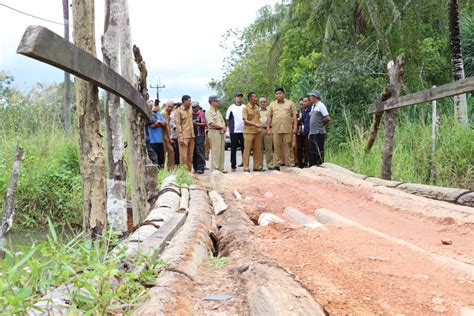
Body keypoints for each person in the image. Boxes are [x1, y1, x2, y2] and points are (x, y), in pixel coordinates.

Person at [267, 87, 297, 171]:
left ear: (283, 94)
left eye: (280, 93)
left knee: (289, 146)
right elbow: (269, 117)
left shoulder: (290, 103)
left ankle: (291, 163)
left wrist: (295, 128)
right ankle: (276, 164)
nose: (278, 95)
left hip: (287, 129)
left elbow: (294, 116)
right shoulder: (272, 104)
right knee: (276, 147)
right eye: (277, 94)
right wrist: (268, 129)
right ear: (275, 95)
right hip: (276, 130)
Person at [308, 90, 331, 166]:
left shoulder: (321, 105)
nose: (310, 98)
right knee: (312, 150)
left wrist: (321, 125)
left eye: (311, 96)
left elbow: (327, 118)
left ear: (315, 97)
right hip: (312, 132)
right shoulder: (313, 106)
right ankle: (313, 166)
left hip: (318, 132)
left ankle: (320, 165)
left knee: (319, 150)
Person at [242, 92, 263, 172]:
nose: (256, 98)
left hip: (257, 132)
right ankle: (246, 167)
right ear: (250, 98)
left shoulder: (257, 108)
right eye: (254, 97)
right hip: (248, 132)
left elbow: (259, 118)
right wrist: (255, 124)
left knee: (257, 150)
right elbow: (245, 120)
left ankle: (256, 166)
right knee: (247, 150)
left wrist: (260, 124)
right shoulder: (245, 108)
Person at [205, 95, 227, 173]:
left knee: (221, 151)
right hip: (214, 132)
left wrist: (223, 128)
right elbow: (211, 123)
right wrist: (221, 127)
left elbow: (222, 120)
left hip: (220, 132)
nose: (218, 102)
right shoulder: (208, 111)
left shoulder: (217, 111)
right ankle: (215, 169)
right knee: (216, 151)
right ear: (212, 102)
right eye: (216, 101)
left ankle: (220, 168)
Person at [225, 92, 245, 171]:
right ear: (235, 98)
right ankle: (233, 165)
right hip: (234, 131)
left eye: (240, 97)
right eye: (238, 96)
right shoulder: (231, 107)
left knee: (244, 147)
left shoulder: (245, 107)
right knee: (233, 148)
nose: (239, 98)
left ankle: (245, 163)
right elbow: (227, 119)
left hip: (243, 131)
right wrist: (229, 128)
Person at [176, 95, 195, 171]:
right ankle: (183, 174)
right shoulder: (179, 111)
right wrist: (180, 137)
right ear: (184, 101)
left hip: (192, 136)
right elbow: (178, 125)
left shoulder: (190, 110)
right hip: (184, 136)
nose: (190, 102)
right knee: (183, 157)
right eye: (189, 101)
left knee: (190, 156)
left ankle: (189, 172)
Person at [148, 100, 167, 168]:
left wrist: (158, 123)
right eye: (155, 105)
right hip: (152, 140)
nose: (157, 107)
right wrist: (159, 123)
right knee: (154, 158)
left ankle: (161, 171)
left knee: (161, 157)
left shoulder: (159, 114)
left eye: (157, 105)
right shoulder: (148, 114)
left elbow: (165, 123)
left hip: (160, 140)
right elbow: (151, 126)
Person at [191, 101, 206, 174]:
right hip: (192, 135)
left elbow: (205, 124)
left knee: (199, 150)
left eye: (195, 107)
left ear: (198, 107)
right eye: (192, 107)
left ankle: (201, 167)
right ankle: (195, 167)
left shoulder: (201, 113)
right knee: (193, 151)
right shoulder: (190, 114)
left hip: (200, 134)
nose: (193, 109)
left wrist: (197, 123)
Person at [259, 97, 273, 170]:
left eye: (264, 102)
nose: (263, 103)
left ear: (266, 102)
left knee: (269, 148)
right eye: (261, 102)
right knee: (259, 149)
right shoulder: (257, 111)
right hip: (259, 131)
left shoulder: (270, 111)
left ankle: (270, 165)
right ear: (259, 103)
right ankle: (260, 165)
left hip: (268, 130)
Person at [296, 96, 311, 168]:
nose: (303, 104)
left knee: (307, 148)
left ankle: (307, 162)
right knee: (299, 148)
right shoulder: (299, 111)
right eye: (301, 104)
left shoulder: (311, 110)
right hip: (299, 132)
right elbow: (296, 121)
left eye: (305, 102)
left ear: (309, 102)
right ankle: (300, 163)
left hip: (307, 132)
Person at [161, 100, 175, 170]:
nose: (170, 108)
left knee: (170, 152)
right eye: (168, 106)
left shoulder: (167, 114)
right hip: (163, 136)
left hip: (166, 136)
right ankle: (169, 169)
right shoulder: (163, 113)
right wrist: (169, 138)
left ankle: (169, 169)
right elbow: (165, 127)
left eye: (171, 107)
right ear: (166, 106)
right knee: (169, 152)